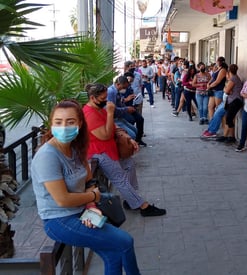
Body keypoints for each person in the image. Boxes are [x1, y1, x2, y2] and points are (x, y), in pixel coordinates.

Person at [31, 99, 141, 274]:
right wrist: (93, 197)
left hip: (82, 212)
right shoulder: (47, 156)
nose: (64, 127)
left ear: (80, 124)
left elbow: (89, 181)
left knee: (113, 255)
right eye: (58, 122)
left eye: (70, 122)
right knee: (124, 242)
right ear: (51, 124)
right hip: (60, 220)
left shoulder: (75, 149)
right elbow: (62, 199)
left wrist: (90, 207)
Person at [83, 83, 166, 217]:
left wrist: (127, 137)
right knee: (119, 178)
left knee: (129, 165)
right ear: (93, 98)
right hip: (99, 151)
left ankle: (131, 198)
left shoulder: (100, 109)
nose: (106, 101)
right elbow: (105, 135)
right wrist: (110, 113)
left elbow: (114, 127)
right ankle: (143, 206)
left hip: (110, 147)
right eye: (103, 98)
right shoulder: (89, 114)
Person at [215, 64, 243, 143]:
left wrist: (225, 88)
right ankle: (227, 135)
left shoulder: (233, 79)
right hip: (232, 101)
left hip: (235, 101)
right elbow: (228, 90)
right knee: (229, 118)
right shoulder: (235, 78)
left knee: (229, 119)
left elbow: (227, 91)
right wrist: (227, 89)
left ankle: (230, 137)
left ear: (228, 72)